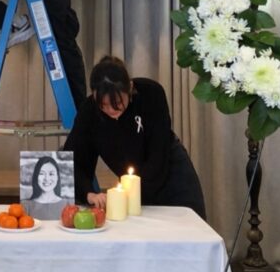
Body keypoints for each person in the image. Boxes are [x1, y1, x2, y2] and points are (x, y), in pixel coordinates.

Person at [63, 56, 207, 219]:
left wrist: (132, 193)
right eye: (103, 105)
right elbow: (73, 159)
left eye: (117, 102)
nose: (111, 110)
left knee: (189, 227)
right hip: (131, 188)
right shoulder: (89, 112)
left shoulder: (151, 94)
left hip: (170, 173)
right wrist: (89, 193)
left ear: (130, 88)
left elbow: (158, 151)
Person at [24, 155, 65, 220]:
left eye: (51, 174)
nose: (46, 178)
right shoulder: (26, 205)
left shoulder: (67, 205)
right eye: (42, 174)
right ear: (36, 176)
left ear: (57, 177)